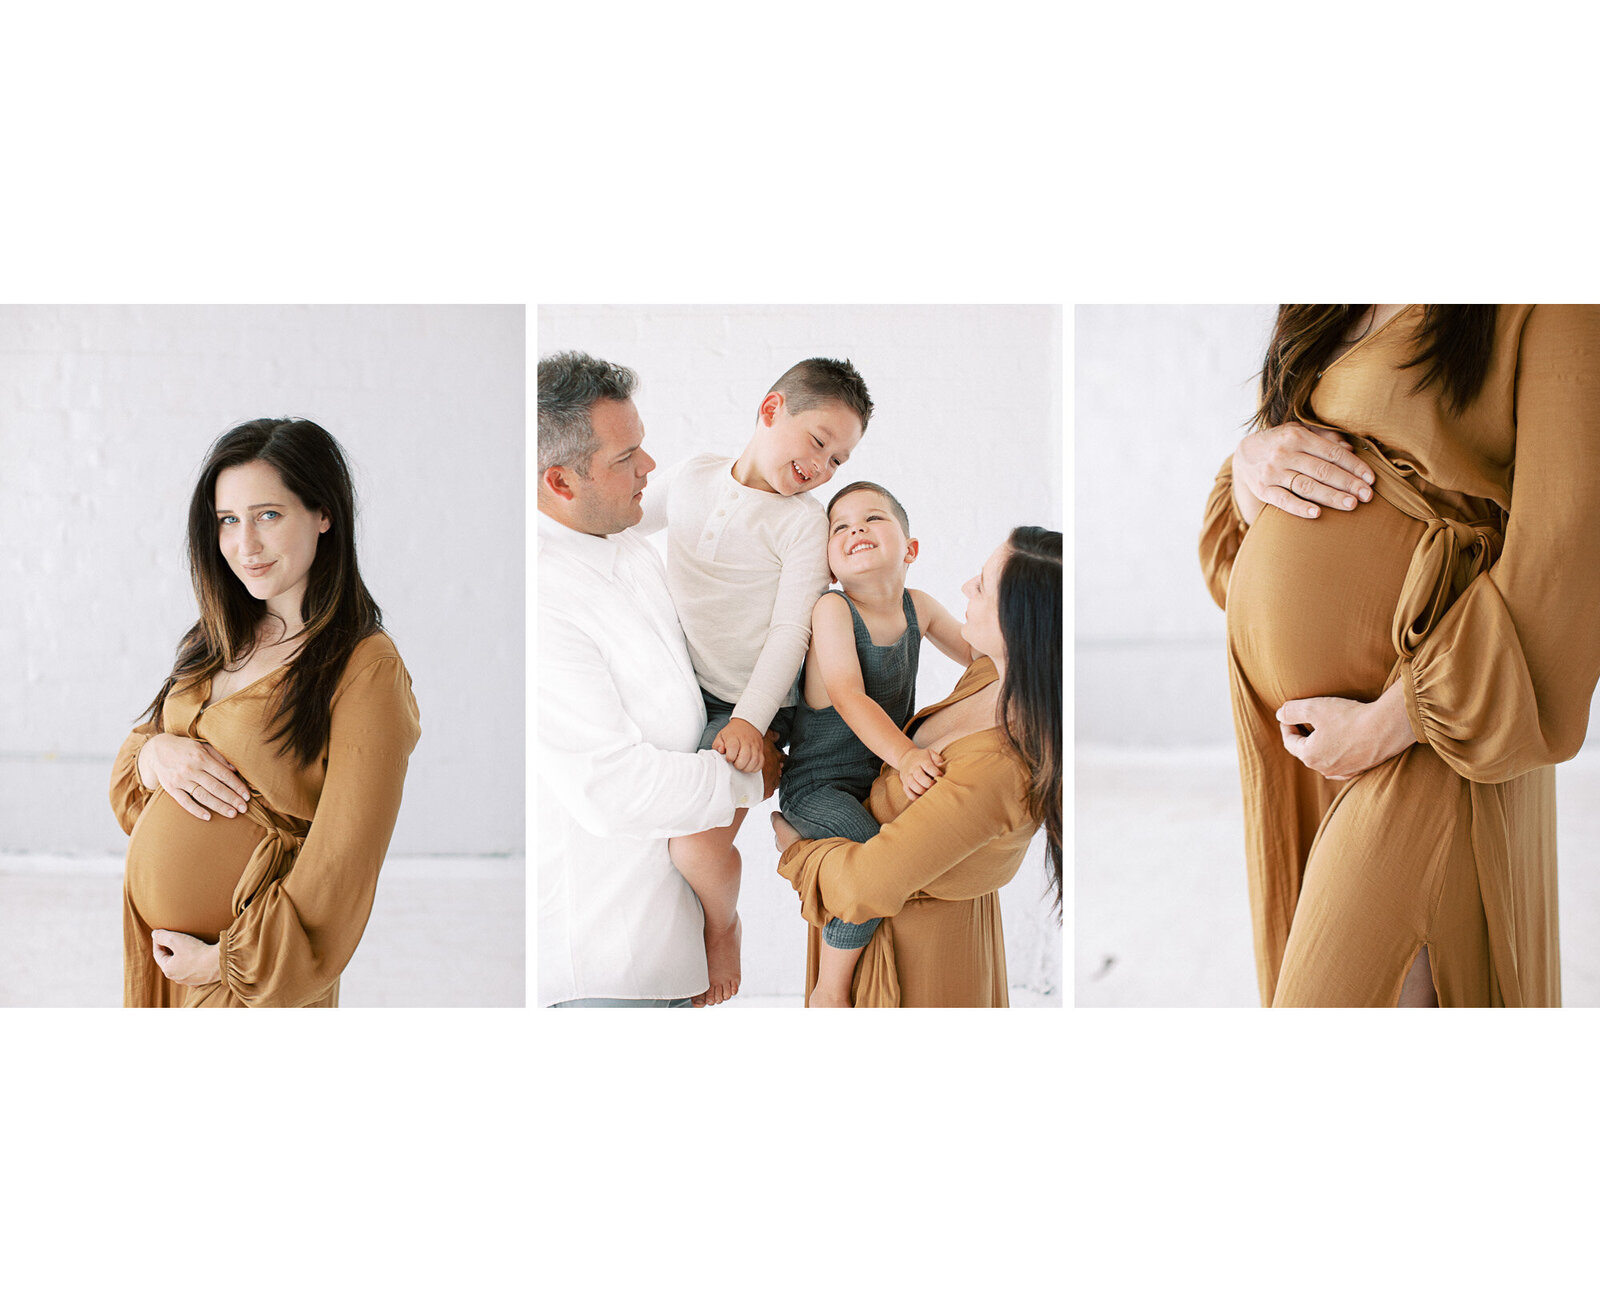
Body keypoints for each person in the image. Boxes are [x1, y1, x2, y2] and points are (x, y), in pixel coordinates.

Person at [1200, 304, 1600, 1006]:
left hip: (1436, 734)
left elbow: (1567, 548)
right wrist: (1248, 468)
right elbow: (1242, 547)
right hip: (1311, 747)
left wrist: (1398, 718)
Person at [109, 418, 421, 1007]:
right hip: (167, 965)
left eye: (268, 515)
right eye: (228, 520)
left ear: (323, 513)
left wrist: (228, 962)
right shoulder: (215, 639)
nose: (244, 544)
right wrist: (155, 756)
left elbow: (343, 862)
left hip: (253, 977)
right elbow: (131, 789)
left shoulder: (365, 666)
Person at [537, 350, 782, 1008]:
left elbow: (693, 489)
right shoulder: (542, 595)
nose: (648, 467)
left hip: (671, 950)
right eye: (626, 457)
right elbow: (612, 790)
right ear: (560, 482)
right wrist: (759, 771)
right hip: (602, 968)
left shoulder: (620, 537)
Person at [639, 357, 871, 1004]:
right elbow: (621, 522)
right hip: (677, 686)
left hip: (752, 709)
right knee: (655, 848)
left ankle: (723, 927)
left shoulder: (801, 523)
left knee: (693, 848)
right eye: (818, 441)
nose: (822, 466)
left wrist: (750, 718)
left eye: (838, 460)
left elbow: (789, 633)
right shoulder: (692, 476)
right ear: (771, 410)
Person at [772, 526, 1062, 1007]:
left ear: (1021, 622)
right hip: (859, 908)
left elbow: (866, 884)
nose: (968, 585)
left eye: (984, 584)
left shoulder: (1000, 767)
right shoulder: (993, 673)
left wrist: (798, 851)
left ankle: (832, 985)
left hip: (919, 954)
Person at [778, 480, 972, 1006]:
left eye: (873, 519)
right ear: (829, 561)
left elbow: (981, 658)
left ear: (909, 549)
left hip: (877, 775)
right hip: (819, 784)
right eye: (839, 526)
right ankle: (830, 990)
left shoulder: (920, 607)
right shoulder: (833, 610)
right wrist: (907, 755)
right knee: (872, 862)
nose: (855, 529)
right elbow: (846, 695)